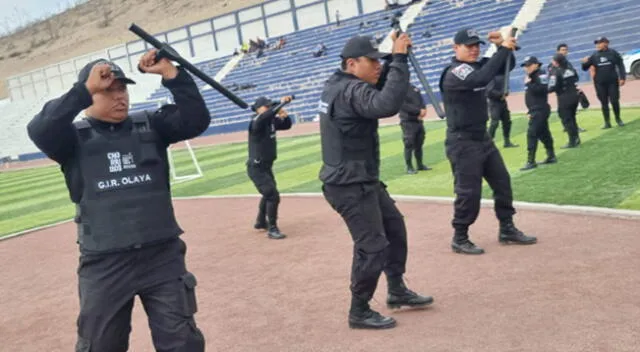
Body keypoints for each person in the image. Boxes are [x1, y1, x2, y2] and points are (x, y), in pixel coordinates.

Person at [26, 51, 209, 351]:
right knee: (100, 345)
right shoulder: (69, 140)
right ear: (90, 96)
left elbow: (196, 120)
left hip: (162, 257)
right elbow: (39, 129)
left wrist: (172, 75)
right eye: (107, 91)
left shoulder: (152, 125)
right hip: (104, 263)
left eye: (122, 89)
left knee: (183, 342)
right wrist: (82, 91)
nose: (119, 97)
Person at [318, 34, 433, 330]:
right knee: (373, 246)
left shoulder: (339, 84)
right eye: (374, 61)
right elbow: (385, 105)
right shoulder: (349, 91)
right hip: (348, 184)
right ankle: (359, 310)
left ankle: (396, 290)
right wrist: (399, 60)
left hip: (360, 179)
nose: (378, 66)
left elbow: (381, 92)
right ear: (352, 63)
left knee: (394, 228)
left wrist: (395, 62)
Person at [438, 28, 537, 255]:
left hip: (482, 138)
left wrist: (503, 46)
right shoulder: (456, 71)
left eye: (477, 45)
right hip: (462, 142)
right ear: (456, 48)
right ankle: (460, 236)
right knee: (468, 193)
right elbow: (482, 78)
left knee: (502, 183)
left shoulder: (477, 65)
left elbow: (505, 66)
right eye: (468, 46)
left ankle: (507, 228)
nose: (474, 49)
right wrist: (501, 49)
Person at [247, 96, 293, 240]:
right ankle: (272, 228)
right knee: (272, 195)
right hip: (257, 167)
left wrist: (283, 112)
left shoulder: (270, 121)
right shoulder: (257, 121)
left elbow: (287, 125)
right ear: (259, 109)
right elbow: (266, 115)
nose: (269, 108)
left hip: (266, 165)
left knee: (268, 193)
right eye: (266, 106)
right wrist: (281, 103)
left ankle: (260, 222)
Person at [581, 36, 626, 128]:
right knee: (604, 102)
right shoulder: (594, 55)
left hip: (612, 82)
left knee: (614, 101)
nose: (597, 45)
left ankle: (618, 119)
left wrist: (622, 77)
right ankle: (607, 122)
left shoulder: (613, 53)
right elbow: (585, 68)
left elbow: (620, 65)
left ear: (606, 43)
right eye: (597, 43)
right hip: (600, 83)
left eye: (600, 43)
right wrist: (584, 62)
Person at [520, 56, 556, 171]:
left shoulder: (540, 74)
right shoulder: (531, 76)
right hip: (536, 109)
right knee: (543, 133)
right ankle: (551, 155)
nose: (527, 68)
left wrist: (528, 84)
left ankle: (531, 161)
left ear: (536, 64)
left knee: (532, 133)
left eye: (529, 65)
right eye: (525, 66)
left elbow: (542, 90)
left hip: (540, 109)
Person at [547, 43, 586, 132]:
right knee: (565, 111)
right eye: (562, 50)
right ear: (558, 51)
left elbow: (574, 77)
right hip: (562, 91)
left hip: (567, 92)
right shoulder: (553, 66)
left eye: (565, 50)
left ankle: (572, 129)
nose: (564, 52)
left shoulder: (567, 64)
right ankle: (569, 127)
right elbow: (552, 78)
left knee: (568, 112)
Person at [550, 53, 581, 148]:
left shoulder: (556, 72)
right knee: (572, 117)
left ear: (556, 62)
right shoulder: (570, 69)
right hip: (574, 95)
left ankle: (572, 140)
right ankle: (576, 138)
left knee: (566, 118)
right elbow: (577, 78)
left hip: (564, 97)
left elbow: (552, 86)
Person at [399, 83, 431, 174]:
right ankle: (409, 167)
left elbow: (421, 101)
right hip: (408, 121)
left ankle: (420, 164)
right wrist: (418, 112)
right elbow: (403, 105)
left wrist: (423, 110)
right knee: (409, 144)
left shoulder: (414, 88)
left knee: (419, 143)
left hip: (418, 121)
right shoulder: (400, 89)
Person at [485, 74, 518, 148]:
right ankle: (488, 142)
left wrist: (506, 93)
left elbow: (506, 87)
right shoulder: (491, 77)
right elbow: (489, 91)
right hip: (494, 102)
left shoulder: (503, 76)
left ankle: (507, 142)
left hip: (502, 102)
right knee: (495, 122)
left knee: (507, 121)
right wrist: (501, 94)